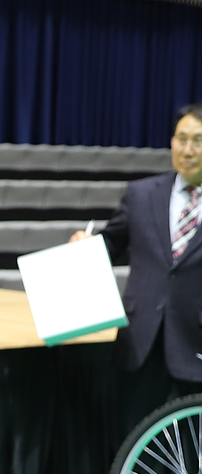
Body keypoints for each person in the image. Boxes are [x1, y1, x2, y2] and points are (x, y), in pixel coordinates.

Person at [72, 103, 202, 427]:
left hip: (195, 344)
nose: (188, 150)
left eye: (198, 140)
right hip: (140, 343)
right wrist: (86, 247)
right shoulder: (141, 194)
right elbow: (110, 243)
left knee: (192, 445)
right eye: (182, 139)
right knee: (132, 440)